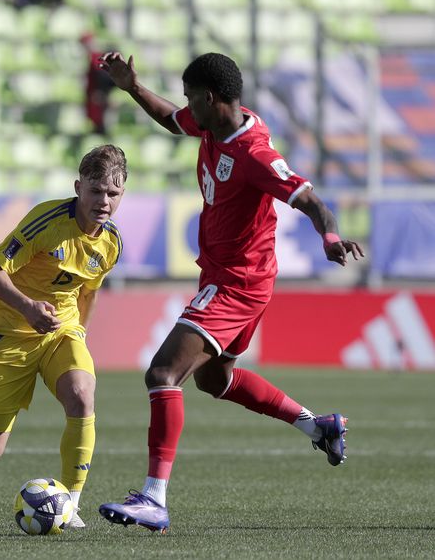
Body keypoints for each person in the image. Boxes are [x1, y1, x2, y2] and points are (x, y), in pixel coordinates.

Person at [94, 52, 364, 533]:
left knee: (162, 373)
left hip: (237, 283)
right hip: (229, 276)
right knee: (214, 382)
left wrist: (330, 237)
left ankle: (154, 498)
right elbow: (171, 121)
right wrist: (131, 86)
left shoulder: (254, 152)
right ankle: (318, 425)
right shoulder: (213, 126)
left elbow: (311, 200)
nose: (186, 106)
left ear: (210, 98)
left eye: (190, 97)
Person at [0, 144, 127, 529]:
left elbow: (88, 290)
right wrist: (28, 308)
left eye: (113, 192)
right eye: (95, 191)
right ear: (79, 188)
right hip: (11, 331)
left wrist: (79, 335)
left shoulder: (111, 244)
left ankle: (72, 503)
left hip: (61, 331)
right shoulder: (47, 222)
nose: (104, 201)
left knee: (81, 394)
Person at [80, 31, 114, 135]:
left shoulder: (97, 58)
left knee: (100, 126)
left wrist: (102, 93)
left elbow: (105, 78)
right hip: (93, 98)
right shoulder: (91, 58)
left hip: (98, 99)